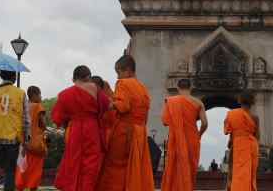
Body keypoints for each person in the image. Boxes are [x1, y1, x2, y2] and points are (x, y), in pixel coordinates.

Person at [96, 55, 154, 191]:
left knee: (114, 167)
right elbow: (144, 113)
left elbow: (124, 105)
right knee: (132, 168)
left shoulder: (123, 83)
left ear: (128, 70)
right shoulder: (142, 88)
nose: (117, 77)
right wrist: (111, 93)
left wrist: (104, 104)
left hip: (123, 131)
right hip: (139, 132)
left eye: (119, 72)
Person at [51, 65, 110, 191]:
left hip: (75, 130)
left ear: (74, 78)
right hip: (92, 129)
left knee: (73, 163)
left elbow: (57, 119)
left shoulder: (64, 94)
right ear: (88, 77)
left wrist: (69, 120)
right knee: (91, 165)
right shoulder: (95, 89)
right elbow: (107, 106)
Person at [0, 70, 30, 191]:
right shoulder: (20, 93)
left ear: (1, 76)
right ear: (14, 77)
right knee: (9, 171)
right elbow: (26, 119)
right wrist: (26, 138)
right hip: (12, 139)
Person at [161, 78, 208, 191]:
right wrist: (199, 134)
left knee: (174, 167)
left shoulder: (171, 101)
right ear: (191, 88)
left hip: (175, 139)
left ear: (178, 87)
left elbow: (164, 121)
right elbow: (205, 123)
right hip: (192, 138)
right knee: (189, 168)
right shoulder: (198, 103)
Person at [224, 90, 260, 191]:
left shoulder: (232, 114)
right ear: (253, 102)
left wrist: (231, 143)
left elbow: (230, 134)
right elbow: (257, 136)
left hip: (237, 145)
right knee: (249, 173)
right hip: (251, 146)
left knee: (235, 172)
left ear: (239, 101)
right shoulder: (255, 118)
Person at [15, 86, 47, 191]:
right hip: (35, 145)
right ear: (34, 95)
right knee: (35, 172)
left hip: (24, 145)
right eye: (39, 94)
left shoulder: (23, 107)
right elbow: (43, 124)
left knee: (22, 170)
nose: (41, 97)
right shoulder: (38, 107)